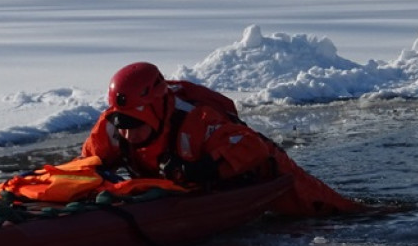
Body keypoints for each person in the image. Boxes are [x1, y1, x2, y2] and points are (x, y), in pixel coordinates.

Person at [81, 62, 366, 216]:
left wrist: (203, 168)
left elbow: (250, 147)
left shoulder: (196, 121)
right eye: (123, 124)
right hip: (188, 189)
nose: (128, 134)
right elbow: (88, 161)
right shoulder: (113, 125)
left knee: (337, 212)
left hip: (268, 174)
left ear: (154, 110)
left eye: (136, 124)